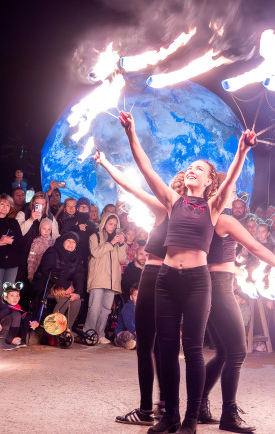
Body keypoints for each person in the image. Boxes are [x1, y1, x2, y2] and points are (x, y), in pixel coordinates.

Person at [120, 109, 254, 434]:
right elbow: (145, 167)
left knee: (192, 349)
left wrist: (242, 151)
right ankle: (169, 417)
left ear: (209, 181)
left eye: (200, 169)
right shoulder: (172, 200)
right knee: (166, 348)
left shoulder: (213, 206)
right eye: (190, 167)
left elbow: (232, 177)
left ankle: (191, 420)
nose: (192, 170)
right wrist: (131, 132)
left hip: (197, 283)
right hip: (166, 281)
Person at [199, 177, 275, 432]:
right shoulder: (225, 220)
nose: (235, 195)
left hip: (204, 285)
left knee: (222, 351)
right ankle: (228, 415)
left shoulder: (198, 216)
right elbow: (254, 246)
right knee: (238, 351)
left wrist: (237, 272)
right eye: (230, 190)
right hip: (219, 288)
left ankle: (199, 405)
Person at [96, 151, 169, 428]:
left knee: (158, 346)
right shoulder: (169, 211)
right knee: (152, 347)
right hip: (158, 277)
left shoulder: (170, 210)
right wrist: (106, 163)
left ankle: (160, 408)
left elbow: (138, 180)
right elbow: (132, 184)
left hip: (165, 278)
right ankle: (155, 408)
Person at [84, 212, 127, 344]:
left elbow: (122, 259)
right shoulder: (95, 236)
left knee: (106, 309)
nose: (113, 227)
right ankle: (89, 333)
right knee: (94, 307)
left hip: (112, 280)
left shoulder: (117, 240)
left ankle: (100, 333)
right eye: (110, 224)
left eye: (115, 225)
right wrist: (111, 242)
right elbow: (95, 253)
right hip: (98, 278)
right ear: (104, 223)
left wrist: (121, 244)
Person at [30, 231, 85, 330]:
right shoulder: (53, 251)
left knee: (76, 301)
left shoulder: (77, 257)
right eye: (68, 241)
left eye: (74, 242)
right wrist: (67, 286)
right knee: (65, 299)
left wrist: (78, 293)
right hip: (46, 286)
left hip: (63, 288)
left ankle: (67, 330)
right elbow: (49, 271)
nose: (71, 244)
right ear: (63, 241)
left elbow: (79, 276)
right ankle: (54, 328)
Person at [0, 194, 25, 284]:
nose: (5, 207)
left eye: (8, 205)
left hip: (12, 263)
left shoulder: (14, 222)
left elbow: (21, 244)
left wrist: (10, 241)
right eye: (2, 204)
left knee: (8, 292)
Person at [1, 282, 39, 348]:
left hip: (16, 338)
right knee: (16, 315)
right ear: (5, 297)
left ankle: (18, 340)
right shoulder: (1, 309)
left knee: (24, 317)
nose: (15, 298)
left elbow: (28, 316)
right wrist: (10, 339)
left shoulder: (19, 309)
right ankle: (8, 341)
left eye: (17, 295)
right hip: (4, 337)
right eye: (12, 295)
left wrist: (34, 322)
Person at [114, 285, 138, 350]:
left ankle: (134, 344)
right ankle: (123, 343)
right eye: (135, 295)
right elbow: (129, 323)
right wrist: (136, 330)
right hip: (123, 333)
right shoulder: (127, 307)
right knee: (130, 335)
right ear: (131, 297)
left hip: (137, 332)